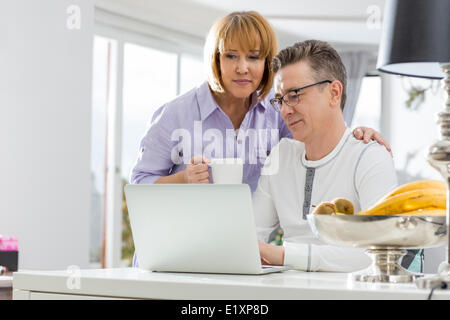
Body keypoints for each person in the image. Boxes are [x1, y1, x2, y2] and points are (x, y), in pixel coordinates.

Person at [130, 12, 390, 268]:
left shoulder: (275, 110)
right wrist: (184, 179)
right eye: (231, 55)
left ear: (266, 63)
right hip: (172, 252)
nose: (242, 67)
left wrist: (356, 138)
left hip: (236, 254)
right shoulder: (176, 114)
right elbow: (138, 189)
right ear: (215, 60)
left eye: (254, 57)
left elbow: (317, 137)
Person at [254, 40, 399, 272]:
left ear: (334, 93)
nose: (285, 110)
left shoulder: (370, 156)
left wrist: (284, 255)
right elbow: (250, 235)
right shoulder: (281, 156)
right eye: (280, 99)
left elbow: (383, 253)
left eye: (294, 95)